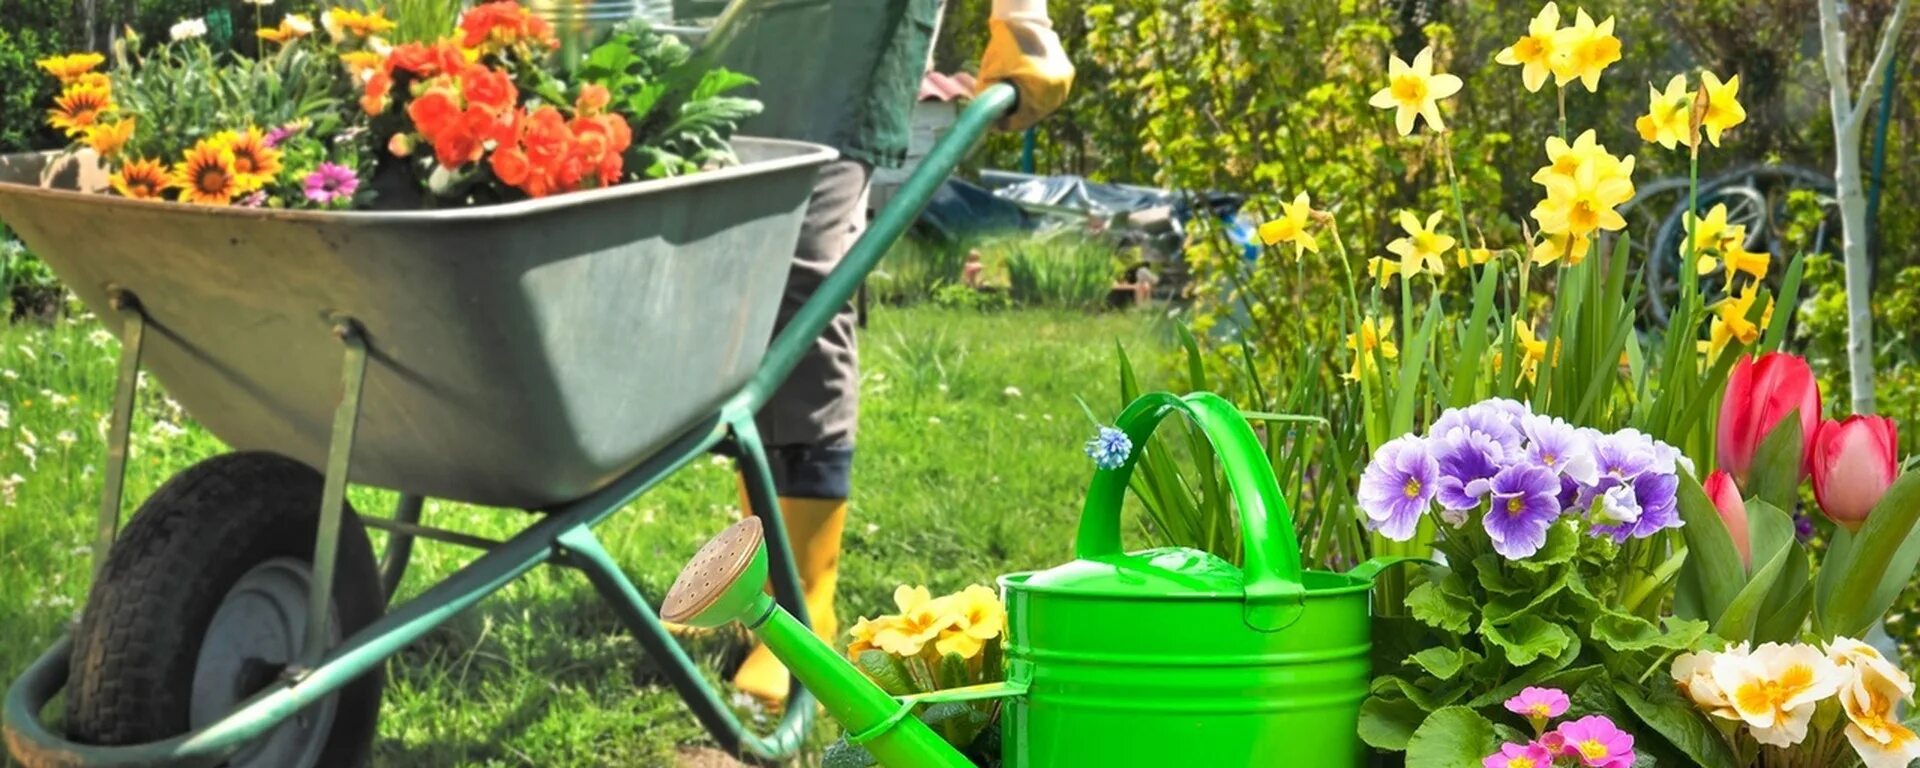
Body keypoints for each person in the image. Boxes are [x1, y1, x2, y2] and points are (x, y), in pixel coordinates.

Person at [695, 0, 1073, 706]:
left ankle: (798, 606)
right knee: (727, 286)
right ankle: (755, 586)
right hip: (712, 29)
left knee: (805, 281)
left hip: (841, 43)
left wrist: (1023, 21)